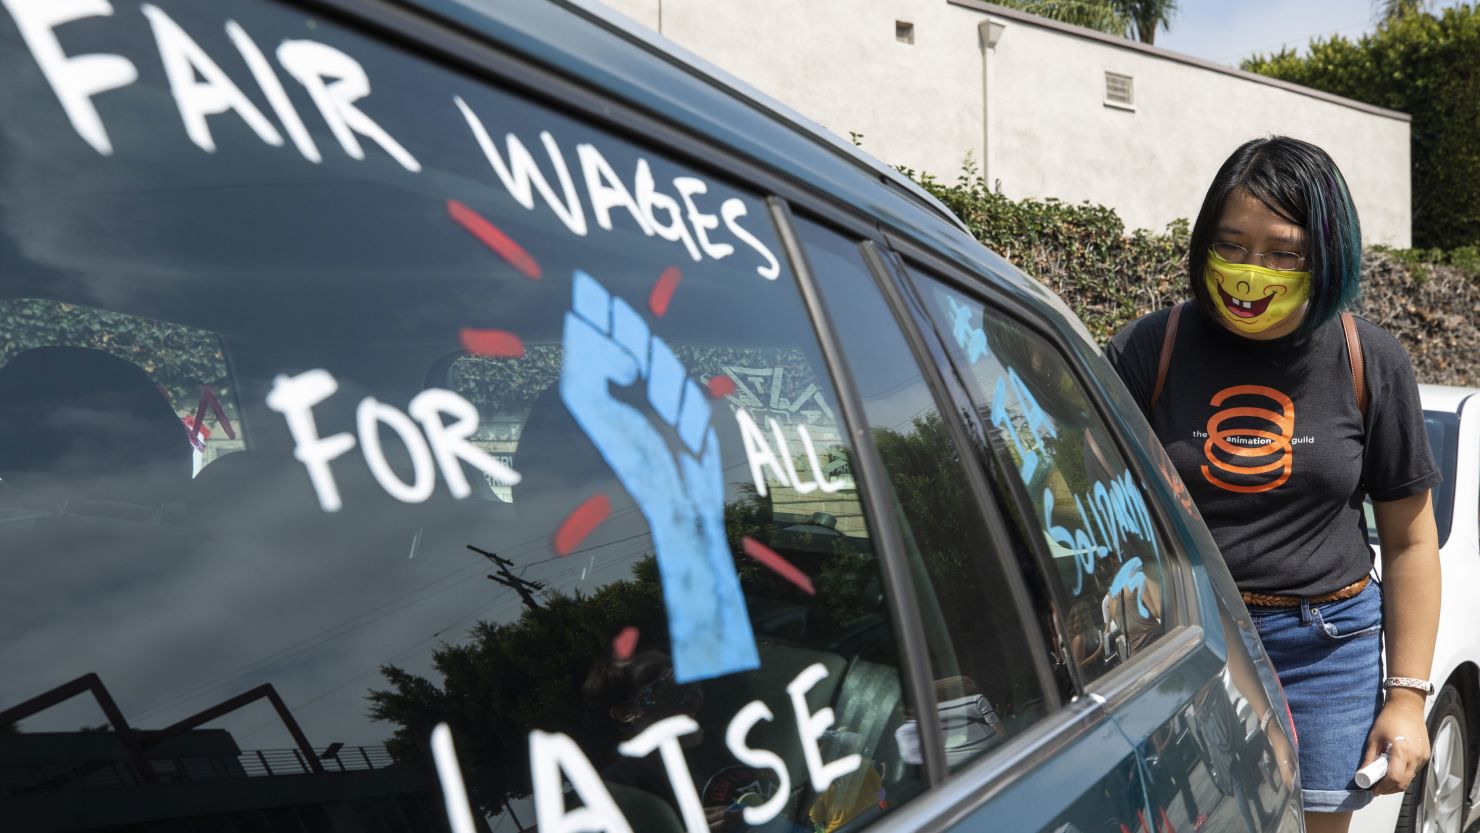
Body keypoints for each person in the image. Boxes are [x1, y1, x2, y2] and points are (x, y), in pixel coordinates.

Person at [1105, 136, 1441, 833]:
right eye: (1231, 244)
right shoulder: (1150, 347)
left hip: (1325, 645)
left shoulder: (1371, 360)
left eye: (1283, 252)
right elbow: (1087, 504)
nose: (1251, 272)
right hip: (1181, 638)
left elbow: (1410, 541)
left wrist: (1407, 695)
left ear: (1327, 254)